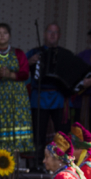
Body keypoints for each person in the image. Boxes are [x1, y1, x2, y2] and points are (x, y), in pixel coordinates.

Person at [0, 23, 32, 153]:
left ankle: (17, 160)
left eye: (5, 33)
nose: (2, 36)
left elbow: (25, 73)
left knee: (16, 124)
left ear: (9, 35)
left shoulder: (18, 53)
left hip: (17, 97)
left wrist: (11, 75)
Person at [26, 24, 69, 164]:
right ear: (44, 34)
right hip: (39, 97)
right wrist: (29, 62)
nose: (52, 35)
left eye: (56, 32)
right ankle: (37, 162)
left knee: (61, 134)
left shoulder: (65, 54)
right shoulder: (34, 52)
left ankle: (63, 162)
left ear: (60, 35)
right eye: (50, 31)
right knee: (38, 133)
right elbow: (20, 69)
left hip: (58, 97)